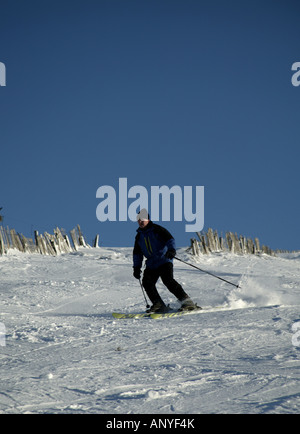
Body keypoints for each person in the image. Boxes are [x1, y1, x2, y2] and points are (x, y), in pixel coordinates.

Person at [133, 209, 197, 313]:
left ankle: (187, 302)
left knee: (168, 280)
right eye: (138, 220)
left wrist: (171, 250)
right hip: (151, 264)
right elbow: (137, 253)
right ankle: (158, 304)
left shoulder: (157, 229)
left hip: (164, 260)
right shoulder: (139, 236)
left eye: (142, 219)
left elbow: (170, 239)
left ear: (148, 219)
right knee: (147, 282)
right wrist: (136, 267)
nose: (140, 221)